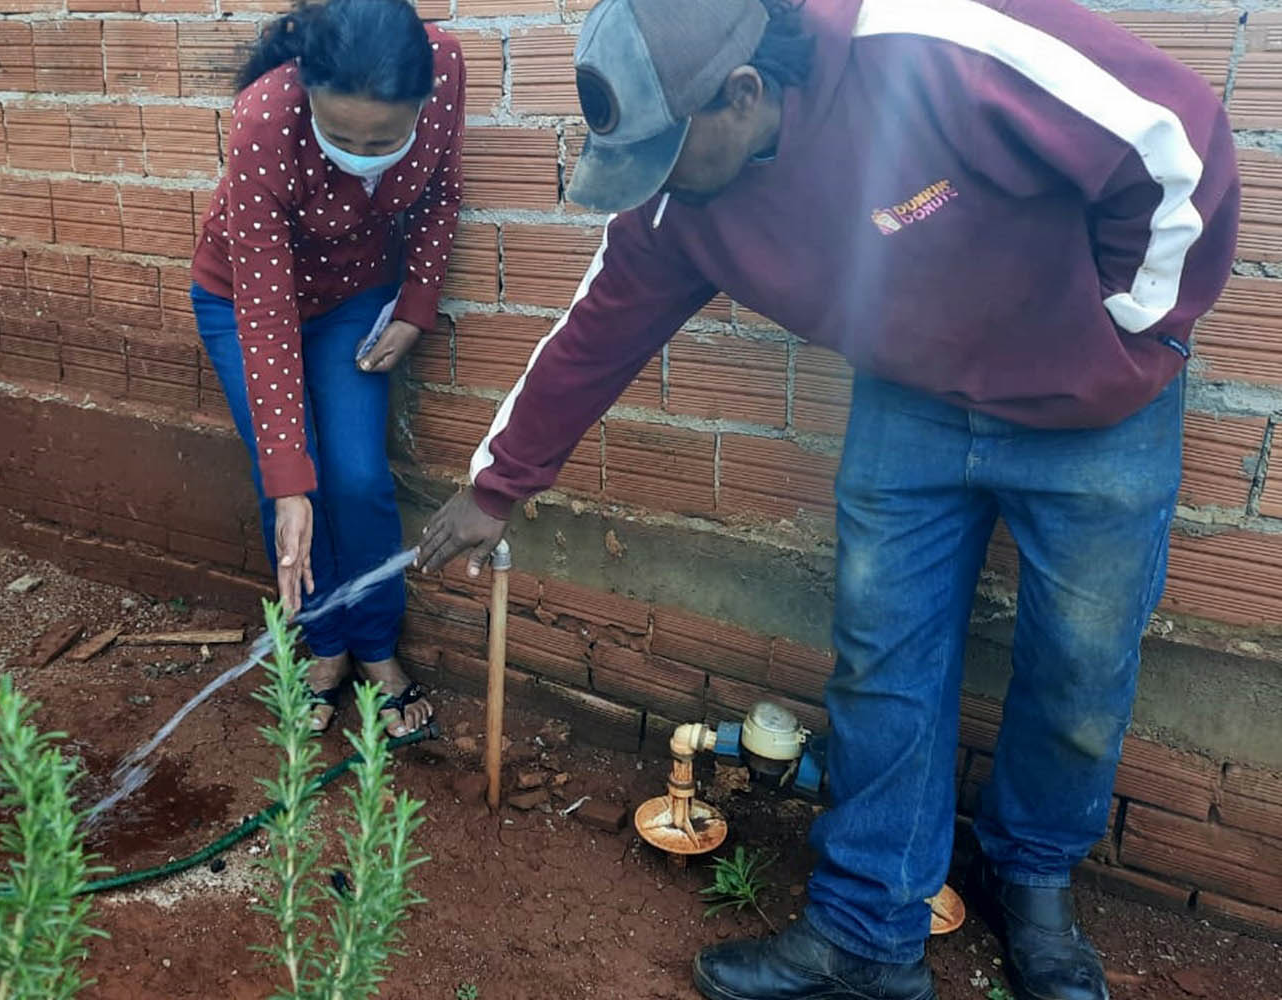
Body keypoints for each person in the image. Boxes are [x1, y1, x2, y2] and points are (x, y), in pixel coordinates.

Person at [417, 0, 1239, 997]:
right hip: (915, 405)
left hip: (1096, 406)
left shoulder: (927, 46)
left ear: (745, 93)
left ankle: (1032, 879)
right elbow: (597, 333)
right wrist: (497, 489)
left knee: (1080, 665)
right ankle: (869, 927)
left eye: (667, 152)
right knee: (882, 659)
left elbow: (1174, 135)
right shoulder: (680, 208)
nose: (657, 183)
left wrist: (1121, 332)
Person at [192, 0, 465, 736]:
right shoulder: (262, 119)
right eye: (339, 134)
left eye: (385, 138)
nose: (362, 153)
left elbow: (439, 192)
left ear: (419, 104)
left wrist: (417, 300)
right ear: (308, 94)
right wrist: (287, 480)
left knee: (356, 475)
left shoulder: (444, 71)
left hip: (354, 296)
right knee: (290, 485)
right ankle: (323, 642)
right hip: (244, 301)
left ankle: (375, 648)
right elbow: (267, 309)